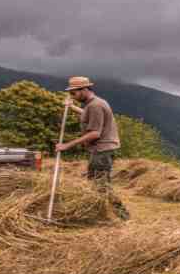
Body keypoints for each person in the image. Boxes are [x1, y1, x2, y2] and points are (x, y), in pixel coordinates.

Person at [55, 76, 130, 220]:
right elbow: (86, 115)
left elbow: (95, 133)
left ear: (84, 89)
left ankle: (123, 216)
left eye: (74, 93)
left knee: (101, 185)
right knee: (94, 183)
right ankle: (97, 212)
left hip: (102, 150)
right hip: (99, 150)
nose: (73, 96)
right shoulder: (93, 104)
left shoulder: (95, 105)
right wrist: (72, 107)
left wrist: (66, 145)